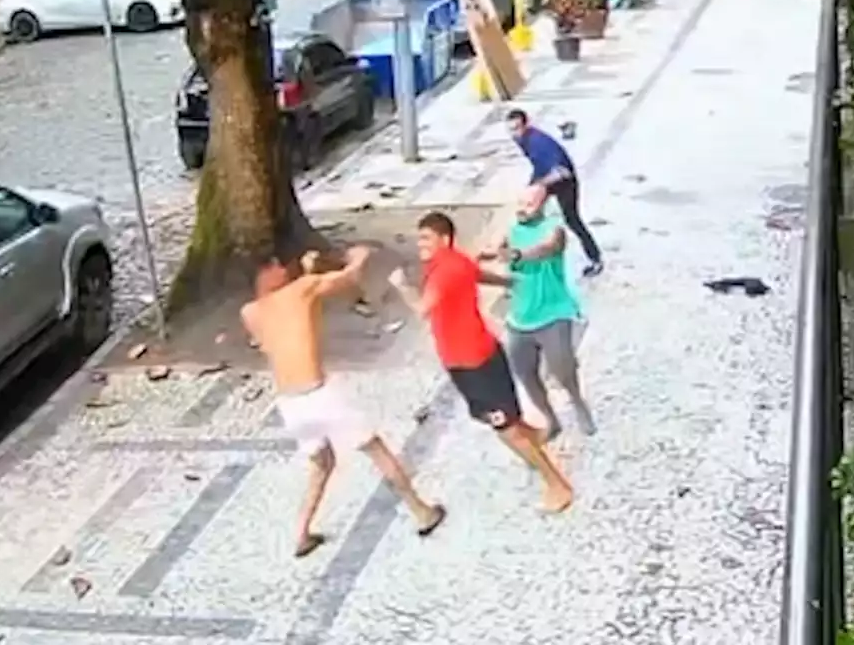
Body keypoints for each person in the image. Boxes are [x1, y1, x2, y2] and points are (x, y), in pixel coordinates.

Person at [241, 247, 447, 558]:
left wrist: (310, 275)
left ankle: (302, 532)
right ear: (266, 271)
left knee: (321, 464)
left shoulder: (249, 313)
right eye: (277, 264)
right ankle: (421, 511)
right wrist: (358, 258)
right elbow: (347, 281)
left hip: (290, 404)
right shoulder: (302, 288)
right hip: (319, 392)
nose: (284, 268)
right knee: (375, 449)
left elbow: (289, 321)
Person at [388, 211, 575, 513]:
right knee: (510, 420)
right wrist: (506, 281)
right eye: (418, 237)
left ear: (444, 239)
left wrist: (401, 286)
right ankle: (537, 441)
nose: (419, 243)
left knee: (506, 431)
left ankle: (558, 486)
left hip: (472, 365)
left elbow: (423, 309)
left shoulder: (443, 271)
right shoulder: (457, 261)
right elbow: (476, 274)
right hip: (483, 354)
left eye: (426, 238)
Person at [481, 185, 596, 441]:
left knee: (563, 370)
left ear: (543, 206)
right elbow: (492, 249)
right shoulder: (510, 230)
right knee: (525, 375)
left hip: (552, 314)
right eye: (520, 203)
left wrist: (518, 254)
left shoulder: (553, 229)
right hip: (519, 318)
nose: (523, 209)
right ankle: (551, 420)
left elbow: (549, 247)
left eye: (530, 204)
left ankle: (577, 402)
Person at [505, 108, 604, 277]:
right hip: (545, 176)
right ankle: (529, 257)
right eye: (511, 130)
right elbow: (538, 164)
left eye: (517, 128)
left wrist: (540, 185)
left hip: (564, 183)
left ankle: (595, 259)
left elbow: (563, 171)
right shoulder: (523, 140)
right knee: (527, 212)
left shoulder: (538, 142)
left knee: (572, 220)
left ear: (526, 124)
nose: (514, 134)